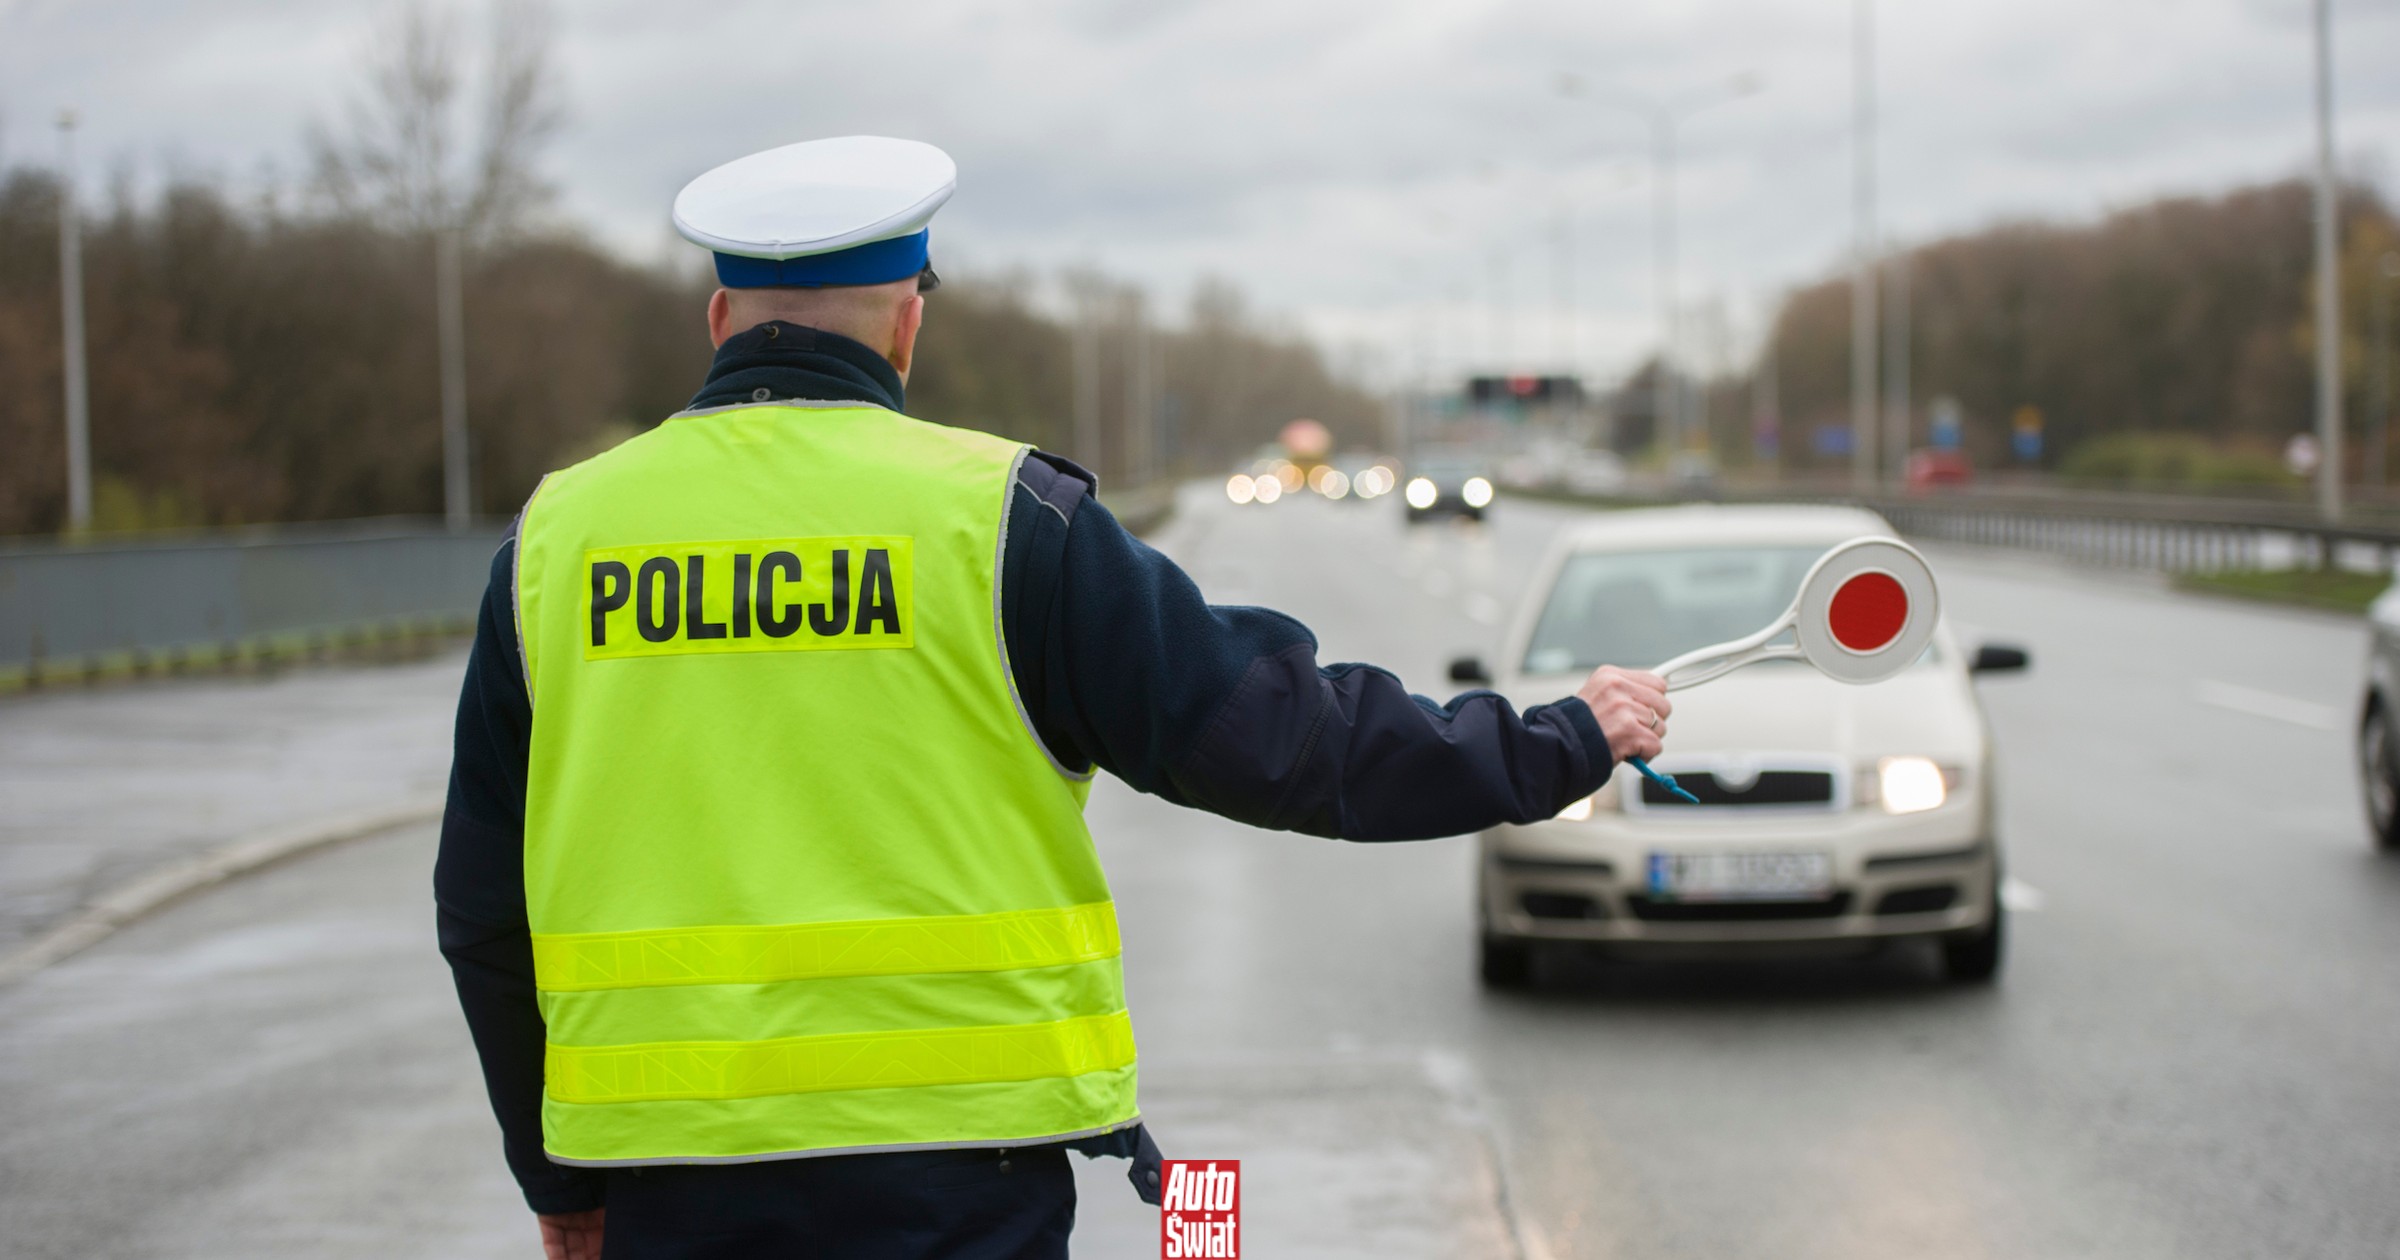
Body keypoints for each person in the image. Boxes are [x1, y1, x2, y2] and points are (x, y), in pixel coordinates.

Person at [434, 135, 1672, 1260]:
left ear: (719, 319)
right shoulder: (1004, 520)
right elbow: (1283, 740)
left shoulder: (556, 542)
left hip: (668, 1186)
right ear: (906, 323)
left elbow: (484, 905)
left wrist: (559, 1182)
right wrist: (1556, 741)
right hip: (959, 1177)